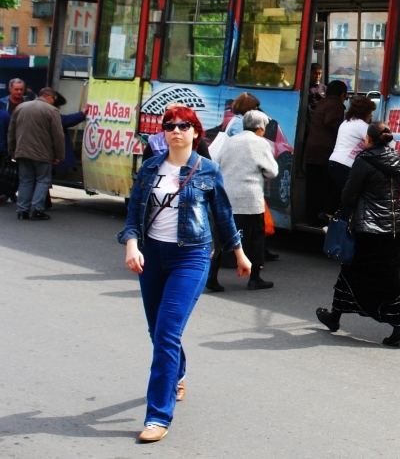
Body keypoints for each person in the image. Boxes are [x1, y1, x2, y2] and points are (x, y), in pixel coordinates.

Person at [117, 105, 251, 443]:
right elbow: (134, 212)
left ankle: (157, 417)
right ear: (164, 132)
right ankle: (177, 373)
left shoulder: (208, 170)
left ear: (195, 132)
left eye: (183, 125)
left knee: (165, 334)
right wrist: (131, 245)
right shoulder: (150, 168)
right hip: (151, 255)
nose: (175, 130)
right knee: (157, 330)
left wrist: (239, 252)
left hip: (190, 256)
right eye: (169, 125)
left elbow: (223, 216)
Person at [316, 122, 400, 346]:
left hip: (368, 227)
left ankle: (335, 316)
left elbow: (349, 193)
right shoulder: (398, 158)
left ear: (368, 139)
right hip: (396, 225)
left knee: (351, 270)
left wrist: (340, 210)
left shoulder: (363, 160)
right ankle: (398, 328)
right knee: (389, 274)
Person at [206, 110, 278, 292]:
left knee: (223, 237)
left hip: (227, 197)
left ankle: (212, 276)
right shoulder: (260, 143)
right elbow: (272, 171)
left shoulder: (231, 141)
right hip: (250, 200)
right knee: (255, 238)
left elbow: (217, 162)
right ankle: (255, 278)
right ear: (260, 127)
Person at [8, 87, 64, 221]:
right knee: (42, 180)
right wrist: (59, 155)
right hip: (43, 153)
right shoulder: (52, 111)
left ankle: (22, 210)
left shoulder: (21, 107)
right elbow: (58, 135)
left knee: (25, 181)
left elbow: (11, 131)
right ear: (50, 97)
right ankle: (37, 209)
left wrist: (12, 150)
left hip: (22, 151)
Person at [306, 80, 348, 222]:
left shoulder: (322, 102)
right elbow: (331, 122)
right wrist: (346, 127)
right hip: (324, 153)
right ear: (342, 94)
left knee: (313, 188)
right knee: (324, 188)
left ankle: (311, 217)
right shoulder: (335, 104)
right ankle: (320, 218)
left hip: (313, 151)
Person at [328, 96, 375, 207]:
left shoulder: (346, 122)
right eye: (370, 112)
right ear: (365, 112)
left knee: (339, 191)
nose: (371, 115)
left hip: (334, 162)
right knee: (354, 195)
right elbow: (373, 144)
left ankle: (328, 213)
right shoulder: (362, 126)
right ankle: (343, 220)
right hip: (346, 165)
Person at [48, 93, 86, 210]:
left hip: (28, 150)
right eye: (58, 105)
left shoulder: (27, 108)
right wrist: (82, 114)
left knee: (29, 179)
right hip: (43, 151)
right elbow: (65, 120)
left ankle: (24, 207)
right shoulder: (49, 113)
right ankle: (38, 206)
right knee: (41, 179)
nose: (59, 108)